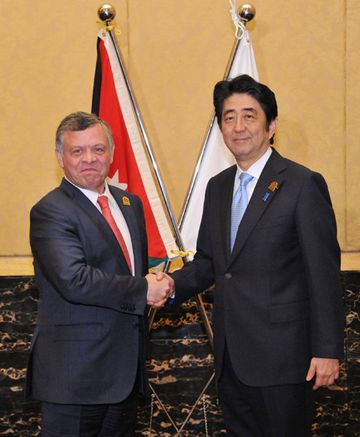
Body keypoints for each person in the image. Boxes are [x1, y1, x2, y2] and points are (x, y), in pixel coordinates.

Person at [164, 75, 344, 436]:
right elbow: (211, 264)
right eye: (228, 117)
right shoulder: (217, 188)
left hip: (286, 362)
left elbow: (323, 274)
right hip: (231, 359)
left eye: (249, 115)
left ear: (271, 124)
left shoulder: (302, 184)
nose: (238, 126)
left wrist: (328, 350)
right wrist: (169, 285)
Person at [27, 111, 172, 436]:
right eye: (77, 151)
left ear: (111, 153)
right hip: (74, 377)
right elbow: (74, 280)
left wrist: (159, 283)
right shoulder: (51, 210)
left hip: (125, 376)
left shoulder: (129, 204)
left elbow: (130, 270)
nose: (89, 159)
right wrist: (143, 290)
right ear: (60, 157)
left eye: (98, 149)